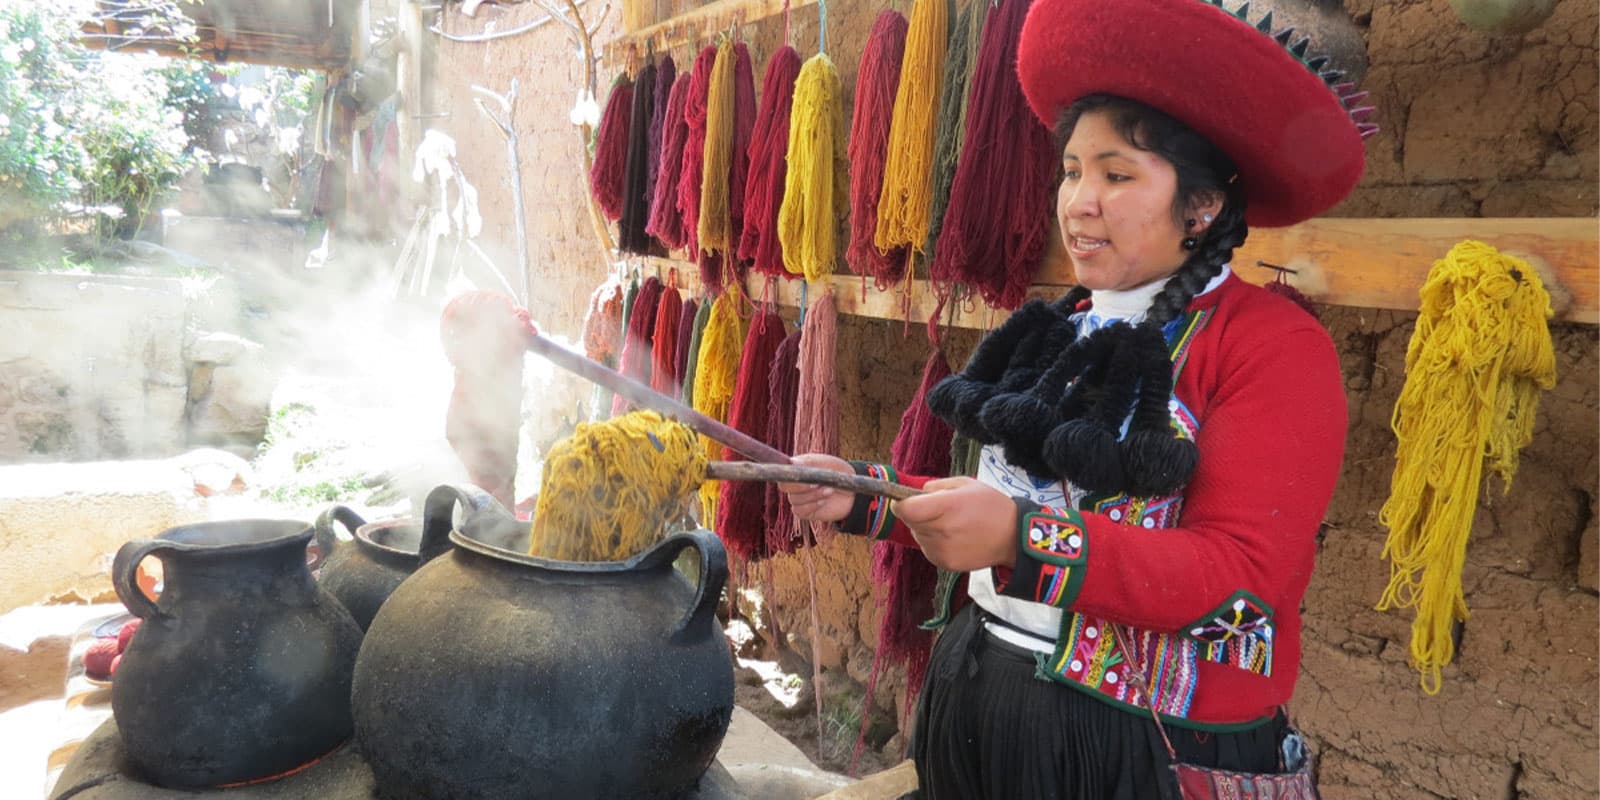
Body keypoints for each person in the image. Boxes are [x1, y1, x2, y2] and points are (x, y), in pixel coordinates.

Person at [779, 0, 1373, 796]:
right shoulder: (1065, 329)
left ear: (1202, 206)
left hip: (1132, 749)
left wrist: (1025, 542)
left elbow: (1242, 578)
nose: (1078, 202)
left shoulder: (1271, 347)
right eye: (1072, 171)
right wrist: (864, 496)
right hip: (980, 692)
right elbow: (1001, 500)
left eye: (1117, 175)